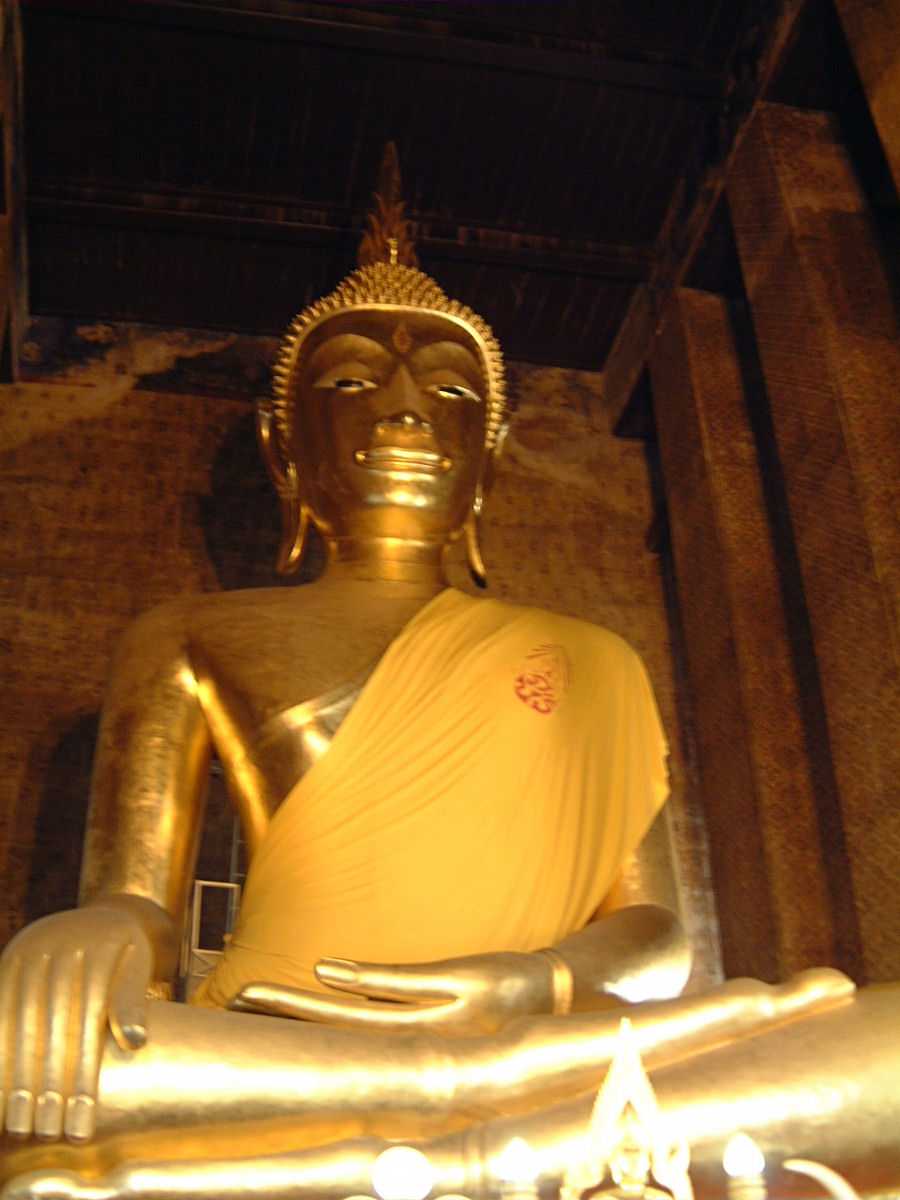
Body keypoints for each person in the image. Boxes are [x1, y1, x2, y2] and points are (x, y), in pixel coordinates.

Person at [1, 156, 898, 1199]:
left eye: (450, 392)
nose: (403, 414)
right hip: (284, 1049)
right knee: (23, 1057)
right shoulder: (192, 633)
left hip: (541, 1051)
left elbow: (656, 939)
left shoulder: (592, 656)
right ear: (284, 449)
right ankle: (475, 1128)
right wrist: (95, 927)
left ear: (491, 453)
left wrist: (531, 985)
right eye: (348, 384)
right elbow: (136, 902)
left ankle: (422, 1143)